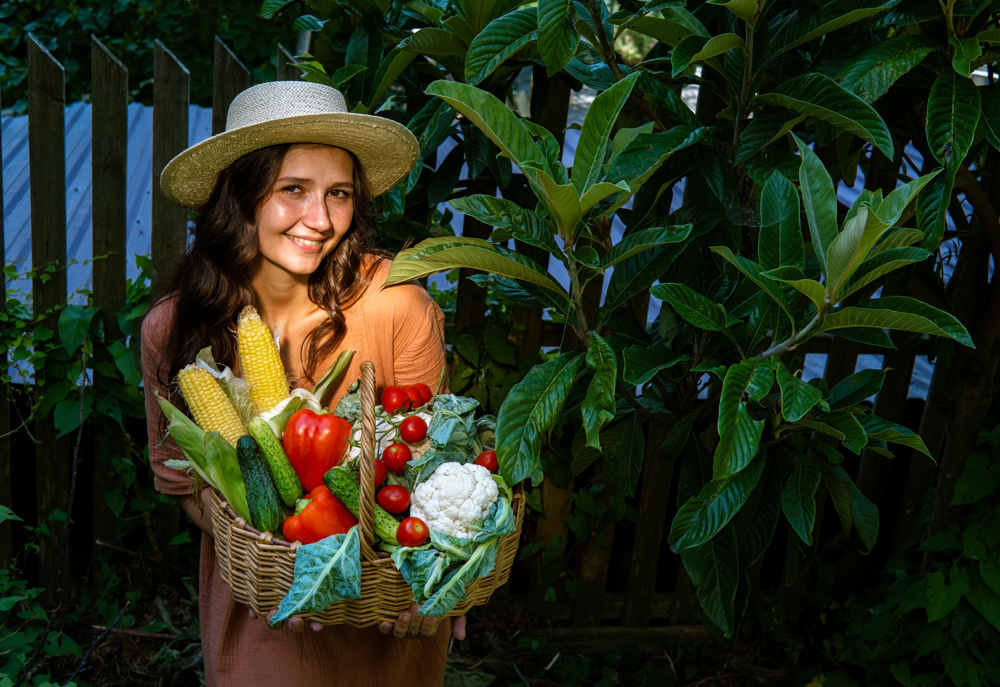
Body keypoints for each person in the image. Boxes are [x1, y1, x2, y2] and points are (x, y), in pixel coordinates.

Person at [141, 81, 459, 686]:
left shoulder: (397, 306)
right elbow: (182, 482)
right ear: (241, 197)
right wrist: (279, 559)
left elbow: (435, 463)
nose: (321, 220)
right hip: (263, 611)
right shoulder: (173, 328)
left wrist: (445, 580)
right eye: (293, 190)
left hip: (384, 610)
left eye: (338, 194)